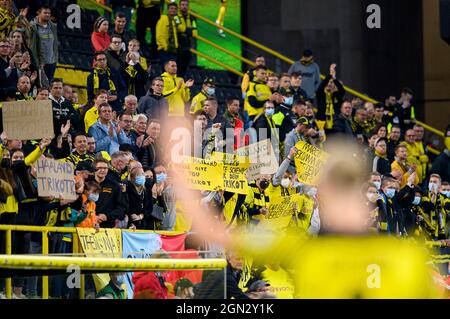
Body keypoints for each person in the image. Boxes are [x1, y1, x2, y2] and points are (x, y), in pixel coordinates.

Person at [92, 158, 128, 229]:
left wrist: (107, 216)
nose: (102, 170)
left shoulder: (115, 186)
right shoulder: (87, 183)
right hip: (88, 226)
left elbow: (122, 208)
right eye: (99, 168)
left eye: (105, 168)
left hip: (108, 227)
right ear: (94, 169)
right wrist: (92, 216)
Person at [29, 5, 58, 81]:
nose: (47, 15)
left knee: (48, 86)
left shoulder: (53, 26)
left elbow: (54, 44)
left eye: (49, 13)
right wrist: (36, 61)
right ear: (39, 13)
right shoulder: (32, 26)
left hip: (51, 62)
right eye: (45, 13)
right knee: (37, 85)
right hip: (38, 63)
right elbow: (30, 45)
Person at [316, 63, 345, 130]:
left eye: (331, 82)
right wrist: (329, 75)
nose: (329, 84)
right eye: (328, 82)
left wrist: (334, 79)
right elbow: (320, 87)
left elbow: (342, 91)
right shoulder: (321, 95)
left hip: (336, 125)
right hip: (322, 125)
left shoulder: (337, 95)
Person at [177, 0, 197, 77]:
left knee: (184, 66)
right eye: (182, 4)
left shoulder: (191, 17)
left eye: (186, 5)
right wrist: (188, 30)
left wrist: (188, 31)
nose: (184, 6)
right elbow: (179, 28)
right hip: (178, 45)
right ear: (179, 6)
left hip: (187, 45)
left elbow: (195, 31)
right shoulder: (176, 16)